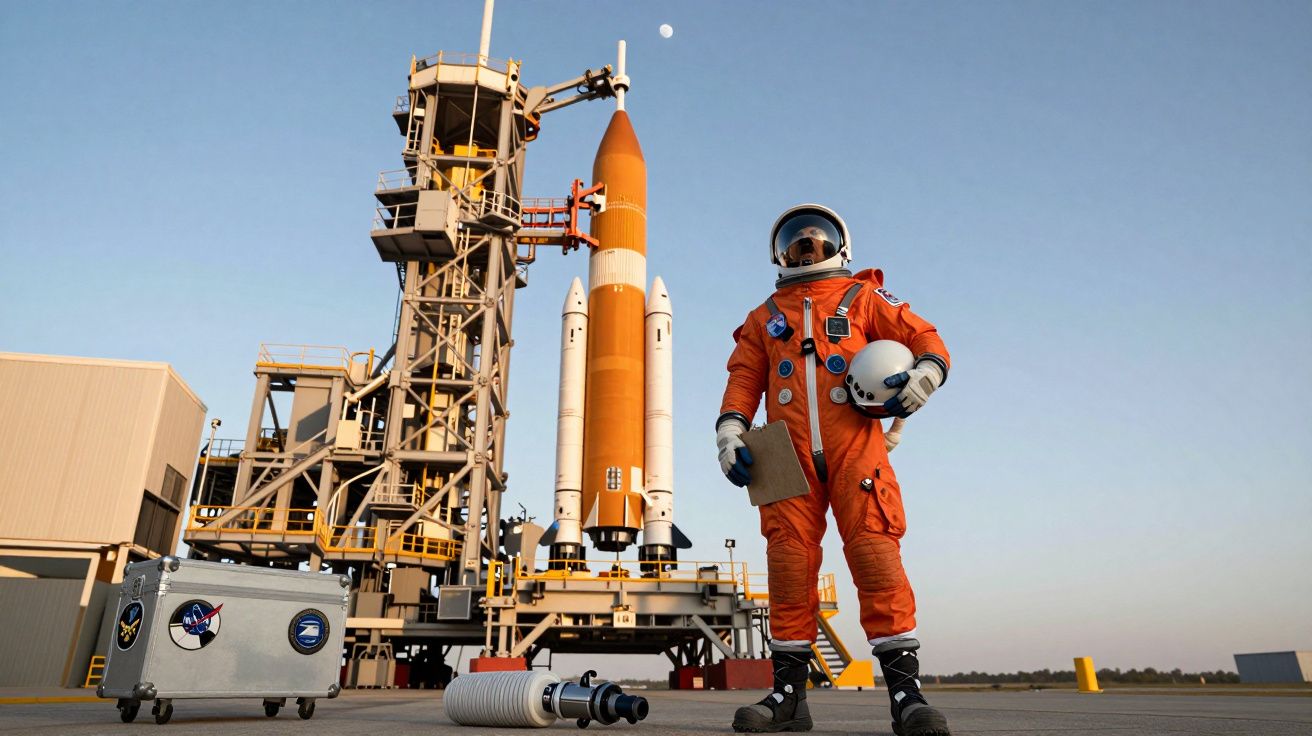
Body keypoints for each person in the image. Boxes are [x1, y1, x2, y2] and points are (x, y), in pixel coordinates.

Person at [716, 204, 952, 735]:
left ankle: (907, 697)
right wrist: (729, 431)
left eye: (814, 241)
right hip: (784, 455)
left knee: (875, 553)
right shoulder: (763, 318)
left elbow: (926, 339)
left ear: (837, 246)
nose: (806, 249)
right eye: (796, 242)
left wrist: (926, 375)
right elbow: (743, 379)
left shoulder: (862, 298)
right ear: (780, 252)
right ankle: (788, 699)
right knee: (788, 565)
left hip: (857, 449)